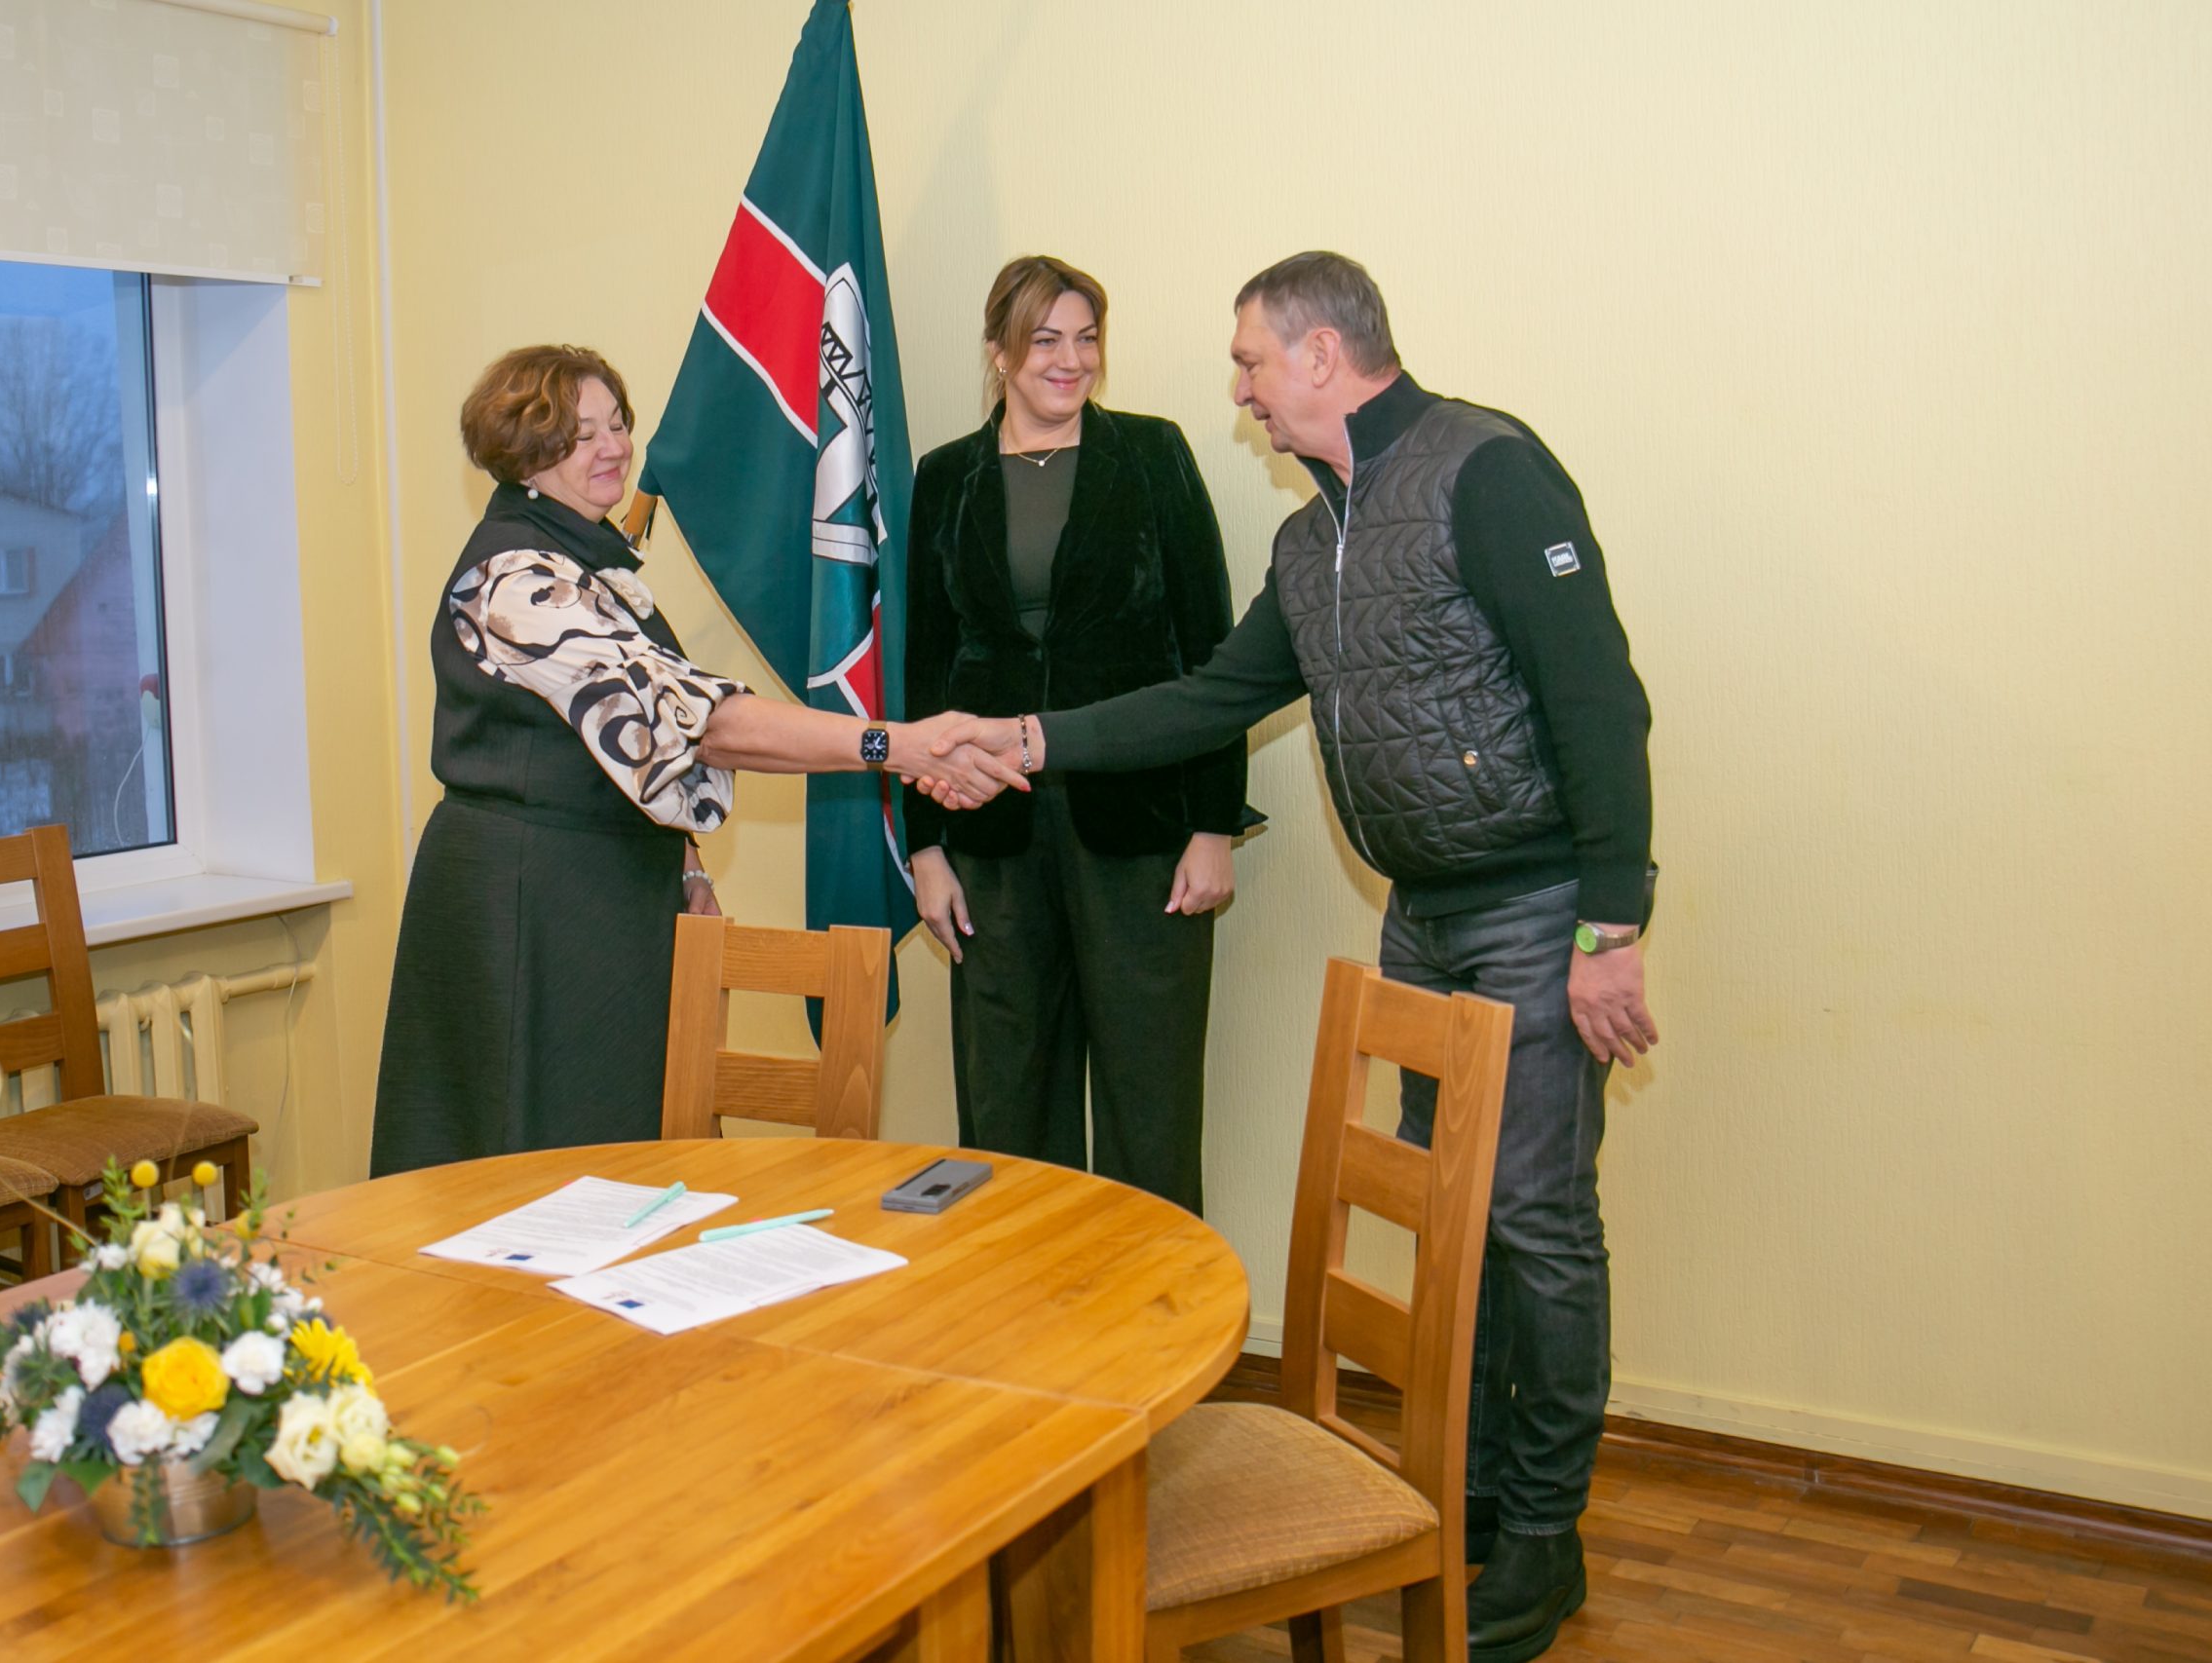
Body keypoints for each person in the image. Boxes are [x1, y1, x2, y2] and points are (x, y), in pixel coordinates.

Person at [930, 252, 1655, 1663]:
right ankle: (1479, 1495)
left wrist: (1610, 922)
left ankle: (1543, 1529)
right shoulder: (1312, 532)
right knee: (1454, 1216)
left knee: (1535, 1218)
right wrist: (1026, 738)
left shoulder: (1486, 470)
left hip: (1535, 904)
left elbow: (1595, 694)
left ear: (1324, 354)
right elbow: (1211, 695)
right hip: (1424, 913)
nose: (1243, 392)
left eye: (1253, 362)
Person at [371, 344, 1020, 1177]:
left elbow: (618, 746)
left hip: (604, 889)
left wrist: (685, 863)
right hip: (527, 902)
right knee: (531, 1156)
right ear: (524, 456)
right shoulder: (519, 581)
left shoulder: (583, 554)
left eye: (618, 424)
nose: (614, 448)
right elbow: (697, 721)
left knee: (619, 1150)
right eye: (581, 435)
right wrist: (893, 744)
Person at [905, 255, 1253, 1214]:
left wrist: (1213, 825)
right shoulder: (944, 477)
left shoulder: (1152, 453)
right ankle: (1024, 1305)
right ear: (999, 352)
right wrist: (925, 847)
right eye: (1045, 340)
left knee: (1151, 1106)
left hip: (1140, 830)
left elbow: (1211, 656)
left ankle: (1159, 1308)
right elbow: (925, 670)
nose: (1070, 360)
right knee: (1006, 1106)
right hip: (989, 832)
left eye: (1087, 338)